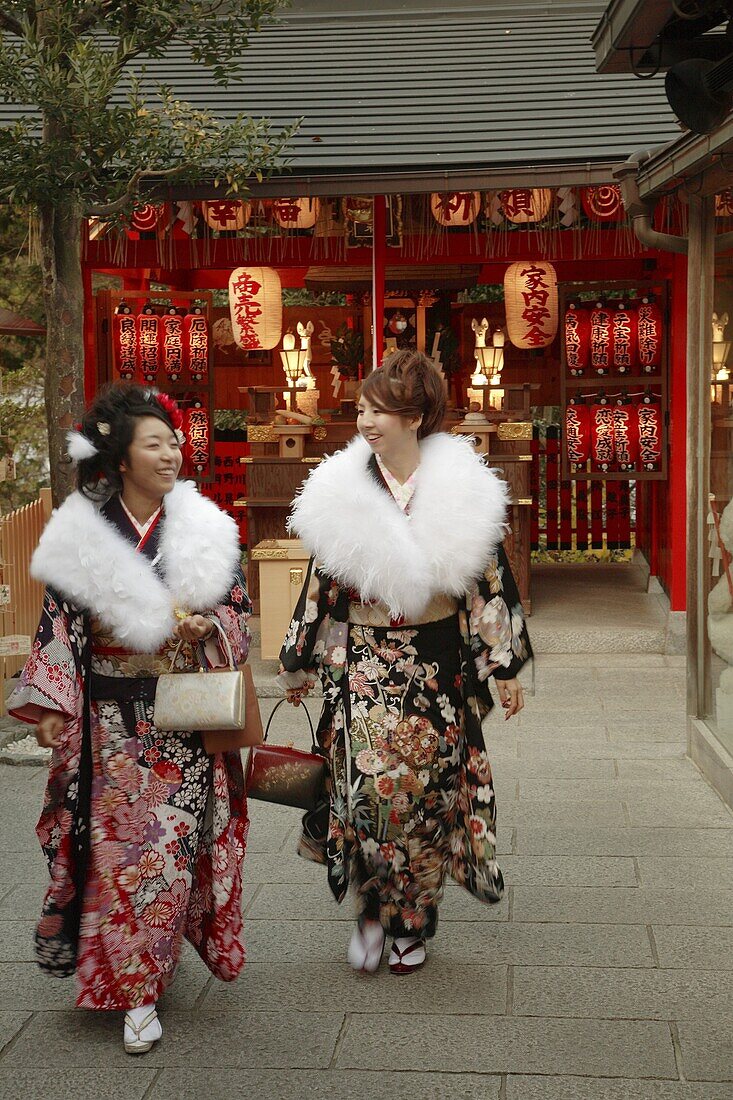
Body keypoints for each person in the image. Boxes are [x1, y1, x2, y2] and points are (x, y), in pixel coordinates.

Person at [8, 384, 251, 1053]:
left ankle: (143, 983)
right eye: (155, 443)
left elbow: (237, 606)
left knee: (167, 857)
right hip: (109, 723)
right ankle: (135, 989)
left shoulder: (201, 525)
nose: (171, 453)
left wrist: (212, 624)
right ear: (120, 458)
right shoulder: (84, 533)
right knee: (119, 857)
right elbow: (58, 619)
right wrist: (53, 704)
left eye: (173, 441)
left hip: (181, 719)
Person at [278, 349, 532, 975]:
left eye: (380, 411)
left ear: (415, 416)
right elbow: (322, 585)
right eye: (361, 410)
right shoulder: (341, 491)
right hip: (364, 661)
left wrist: (504, 669)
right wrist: (299, 657)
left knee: (426, 797)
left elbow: (487, 583)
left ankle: (410, 919)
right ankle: (371, 906)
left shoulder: (463, 490)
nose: (365, 422)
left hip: (437, 662)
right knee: (367, 793)